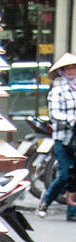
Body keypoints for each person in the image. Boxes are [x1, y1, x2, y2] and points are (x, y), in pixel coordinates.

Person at [37, 52, 76, 219]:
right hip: (63, 137)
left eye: (74, 68)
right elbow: (55, 114)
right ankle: (46, 200)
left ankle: (72, 212)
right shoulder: (58, 90)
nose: (71, 71)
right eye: (68, 69)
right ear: (62, 71)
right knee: (65, 174)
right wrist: (72, 119)